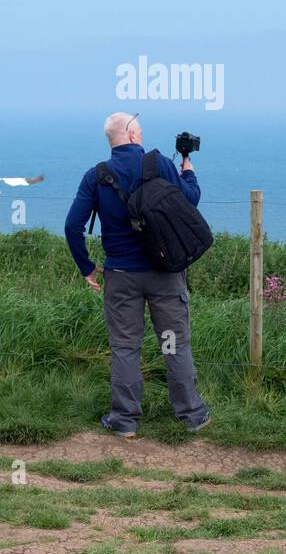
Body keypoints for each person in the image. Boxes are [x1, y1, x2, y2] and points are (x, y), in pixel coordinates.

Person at [64, 112, 211, 437]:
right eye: (140, 132)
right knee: (174, 343)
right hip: (164, 272)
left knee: (125, 346)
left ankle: (125, 421)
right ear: (131, 135)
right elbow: (192, 200)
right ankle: (191, 415)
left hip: (120, 275)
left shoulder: (97, 176)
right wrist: (188, 169)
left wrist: (87, 267)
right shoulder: (159, 164)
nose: (141, 136)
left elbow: (72, 225)